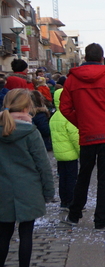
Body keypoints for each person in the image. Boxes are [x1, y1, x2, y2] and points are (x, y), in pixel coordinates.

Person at [60, 43, 105, 231]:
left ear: (85, 57)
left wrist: (81, 123)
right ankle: (101, 222)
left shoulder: (72, 79)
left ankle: (74, 215)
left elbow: (65, 108)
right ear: (102, 58)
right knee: (104, 180)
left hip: (87, 136)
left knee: (83, 176)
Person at [0, 88, 55, 267]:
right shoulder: (30, 132)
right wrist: (48, 192)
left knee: (3, 234)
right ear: (27, 108)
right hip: (28, 189)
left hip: (2, 190)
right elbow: (43, 165)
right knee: (26, 235)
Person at [50, 77, 80, 211]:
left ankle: (64, 201)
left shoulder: (54, 116)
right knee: (72, 179)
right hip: (70, 154)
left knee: (63, 178)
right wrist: (82, 152)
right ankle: (72, 201)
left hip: (59, 154)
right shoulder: (69, 115)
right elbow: (75, 137)